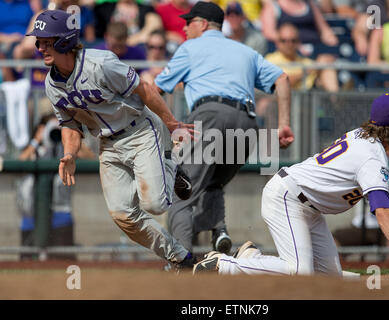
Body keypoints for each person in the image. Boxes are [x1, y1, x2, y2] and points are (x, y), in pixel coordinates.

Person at [193, 92, 389, 287]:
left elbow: (385, 199)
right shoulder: (373, 156)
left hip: (308, 207)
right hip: (288, 198)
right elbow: (382, 210)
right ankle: (222, 265)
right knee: (300, 274)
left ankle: (251, 258)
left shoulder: (364, 139)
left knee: (329, 280)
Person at [26, 9, 197, 270]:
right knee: (122, 215)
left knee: (155, 205)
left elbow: (145, 90)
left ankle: (171, 166)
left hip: (139, 130)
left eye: (47, 41)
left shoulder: (100, 63)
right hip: (107, 144)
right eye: (39, 42)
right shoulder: (52, 84)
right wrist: (70, 154)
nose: (40, 47)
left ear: (65, 41)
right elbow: (70, 124)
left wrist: (172, 124)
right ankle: (181, 258)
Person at [154, 1, 294, 255]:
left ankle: (180, 264)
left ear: (203, 24)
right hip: (247, 125)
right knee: (211, 185)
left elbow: (156, 91)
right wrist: (284, 124)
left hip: (210, 117)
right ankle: (219, 231)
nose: (184, 28)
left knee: (180, 194)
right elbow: (282, 79)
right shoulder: (244, 51)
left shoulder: (191, 47)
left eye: (189, 22)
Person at [16, 113, 96, 260]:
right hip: (30, 215)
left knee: (62, 262)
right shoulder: (34, 147)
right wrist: (36, 141)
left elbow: (91, 158)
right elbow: (20, 162)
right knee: (28, 263)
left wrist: (69, 137)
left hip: (61, 212)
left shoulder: (66, 149)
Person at [93, 0, 163, 46]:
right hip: (112, 48)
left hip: (138, 48)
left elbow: (155, 25)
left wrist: (130, 42)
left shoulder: (147, 9)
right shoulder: (104, 8)